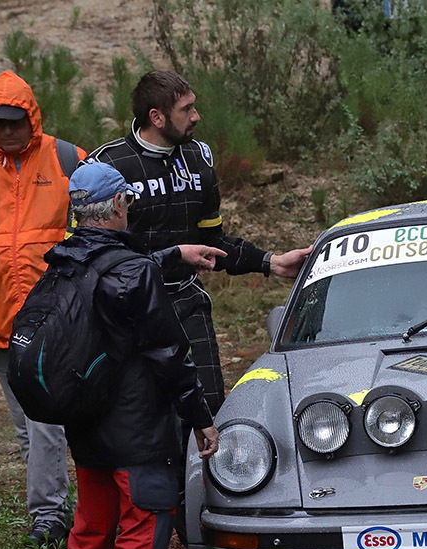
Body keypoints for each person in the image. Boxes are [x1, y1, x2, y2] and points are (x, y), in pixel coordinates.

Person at [54, 162, 219, 549]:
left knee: (90, 530)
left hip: (85, 422)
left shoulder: (61, 261)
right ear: (119, 206)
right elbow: (169, 354)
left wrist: (168, 254)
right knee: (142, 528)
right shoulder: (135, 272)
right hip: (136, 428)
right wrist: (199, 416)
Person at [85, 70, 313, 419]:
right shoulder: (105, 166)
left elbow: (211, 241)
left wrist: (271, 262)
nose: (197, 117)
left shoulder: (198, 158)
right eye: (186, 110)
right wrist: (173, 256)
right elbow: (90, 258)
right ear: (156, 117)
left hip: (187, 305)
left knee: (207, 412)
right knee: (144, 417)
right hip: (128, 313)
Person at [0, 71, 87, 547]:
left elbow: (99, 229)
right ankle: (58, 503)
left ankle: (47, 517)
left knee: (45, 420)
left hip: (56, 320)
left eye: (14, 122)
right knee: (29, 426)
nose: (7, 132)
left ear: (32, 117)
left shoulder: (69, 160)